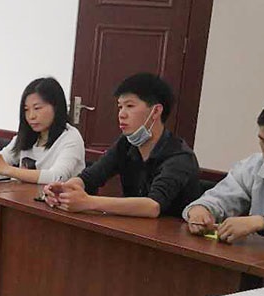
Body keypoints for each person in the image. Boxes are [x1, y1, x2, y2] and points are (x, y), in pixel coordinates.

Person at [44, 72, 202, 218]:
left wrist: (89, 202)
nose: (121, 114)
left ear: (155, 111)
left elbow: (153, 206)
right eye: (120, 107)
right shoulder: (125, 143)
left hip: (170, 235)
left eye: (130, 106)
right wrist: (65, 189)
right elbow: (91, 176)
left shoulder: (179, 156)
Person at [183, 94, 264, 245]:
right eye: (263, 141)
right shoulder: (255, 166)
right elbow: (221, 197)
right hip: (257, 256)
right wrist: (201, 210)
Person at [0, 76, 85, 183]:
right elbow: (5, 157)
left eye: (37, 108)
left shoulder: (70, 137)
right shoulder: (28, 134)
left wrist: (7, 169)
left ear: (56, 107)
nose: (31, 116)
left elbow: (57, 177)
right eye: (26, 110)